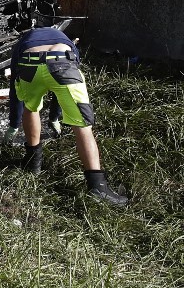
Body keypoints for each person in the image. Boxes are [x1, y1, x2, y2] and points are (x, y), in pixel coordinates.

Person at [11, 26, 128, 206]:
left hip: (29, 61)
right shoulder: (65, 40)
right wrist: (54, 118)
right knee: (82, 124)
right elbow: (66, 78)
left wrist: (13, 123)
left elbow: (14, 86)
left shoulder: (23, 42)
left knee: (31, 108)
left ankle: (32, 165)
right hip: (61, 61)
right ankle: (98, 187)